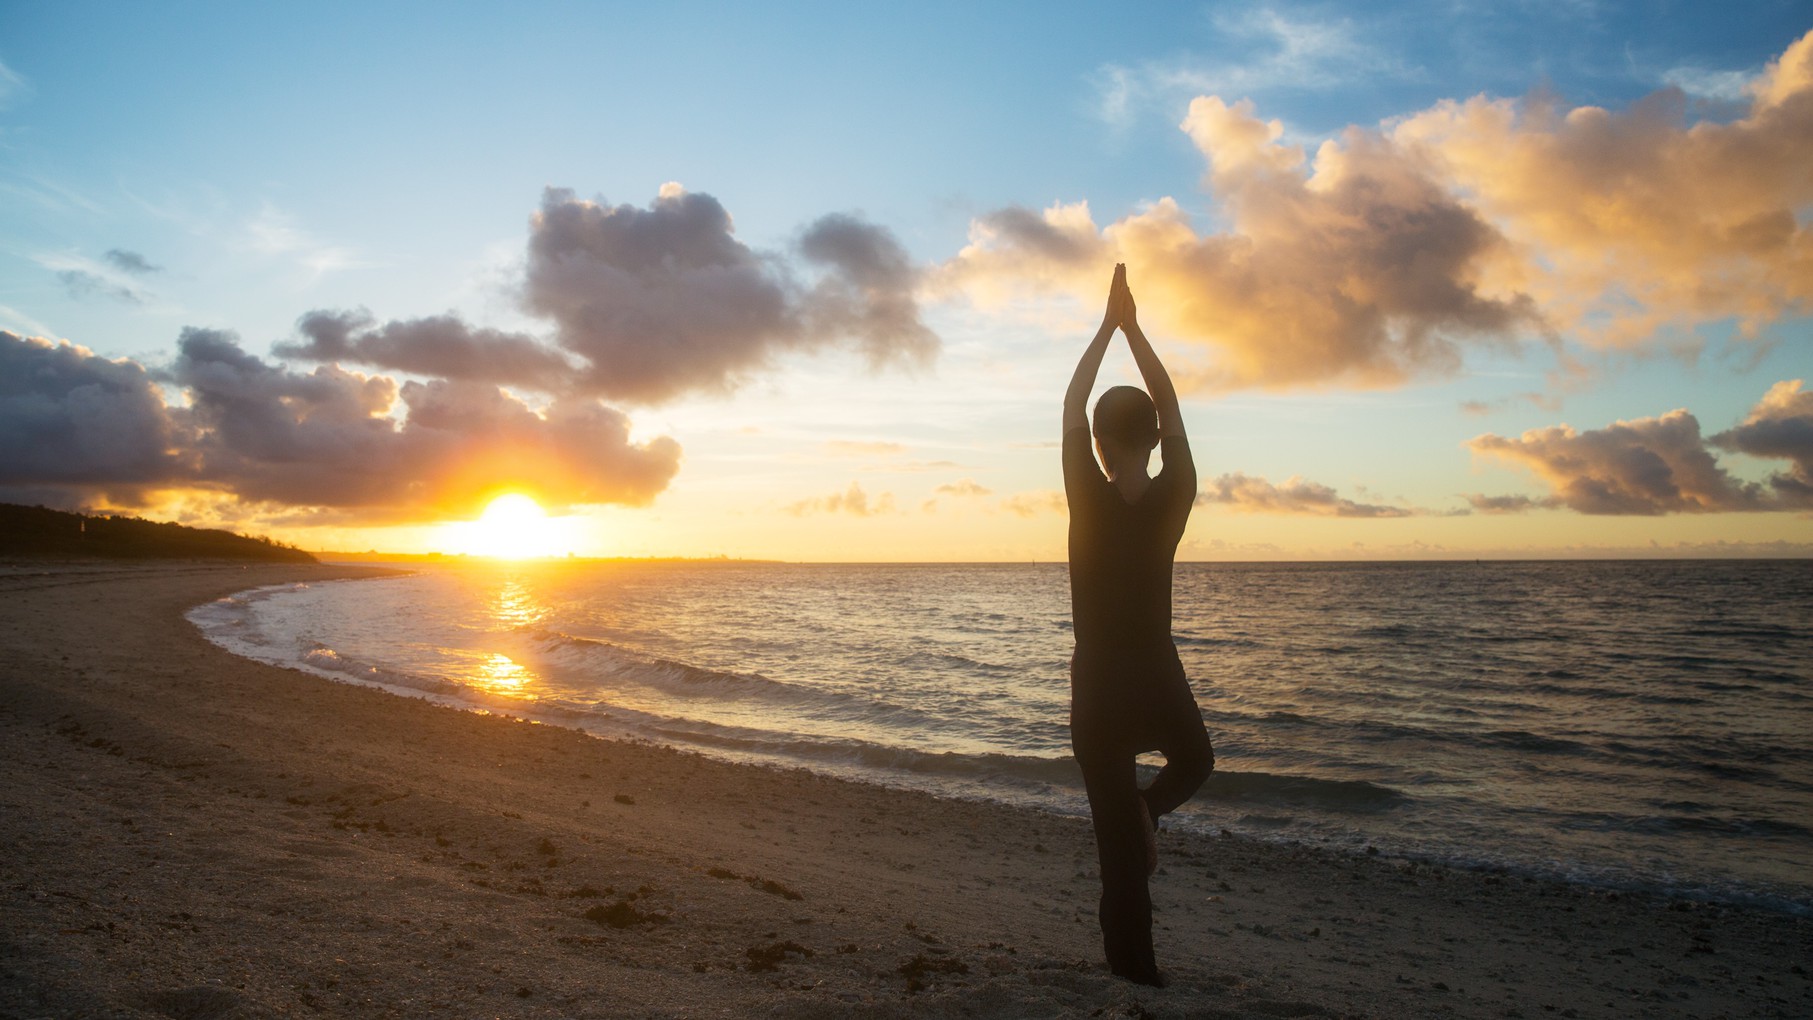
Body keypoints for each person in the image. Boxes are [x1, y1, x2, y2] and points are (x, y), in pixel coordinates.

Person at [1063, 263, 1214, 986]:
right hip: (1151, 671)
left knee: (1120, 855)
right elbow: (1170, 404)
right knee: (1194, 762)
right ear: (1153, 441)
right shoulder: (1173, 494)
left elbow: (1070, 407)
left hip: (1099, 683)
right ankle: (1147, 818)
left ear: (1098, 445)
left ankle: (1134, 970)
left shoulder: (1087, 497)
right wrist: (1133, 329)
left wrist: (1107, 328)